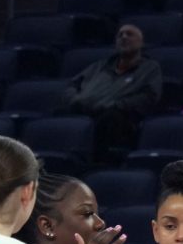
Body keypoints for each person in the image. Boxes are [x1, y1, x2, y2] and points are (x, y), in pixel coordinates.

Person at [59, 22, 163, 159]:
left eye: (129, 34)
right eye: (120, 35)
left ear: (141, 43)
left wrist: (118, 105)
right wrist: (74, 99)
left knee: (110, 119)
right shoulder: (100, 66)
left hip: (118, 117)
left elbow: (149, 96)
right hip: (84, 110)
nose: (124, 37)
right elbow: (72, 85)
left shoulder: (149, 68)